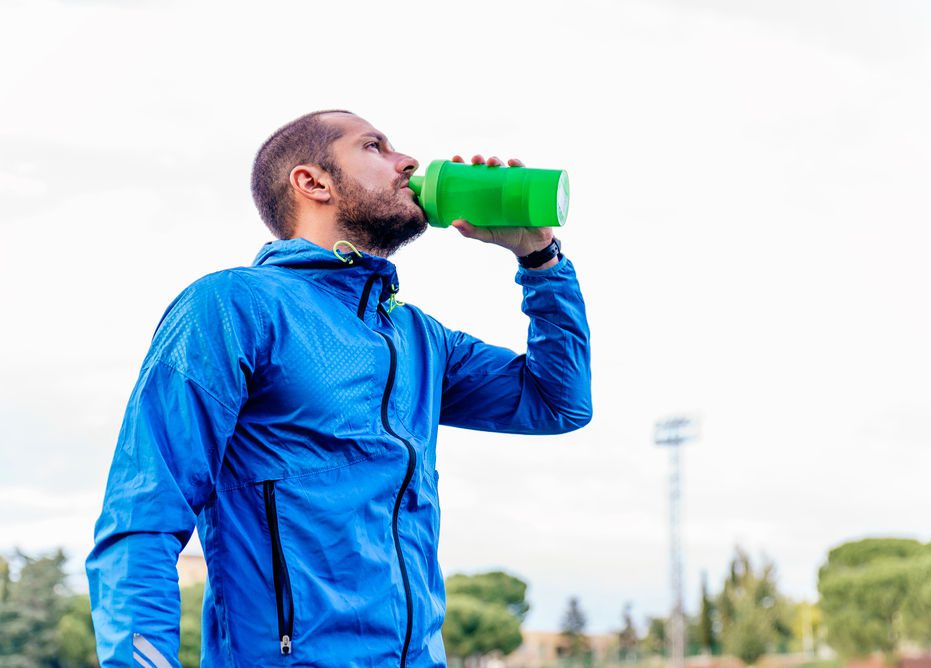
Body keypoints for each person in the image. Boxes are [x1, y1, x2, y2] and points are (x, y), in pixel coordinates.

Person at [86, 109, 592, 667]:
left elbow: (557, 402)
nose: (409, 163)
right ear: (312, 182)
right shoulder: (233, 305)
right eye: (375, 147)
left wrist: (539, 259)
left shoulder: (418, 336)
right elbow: (145, 510)